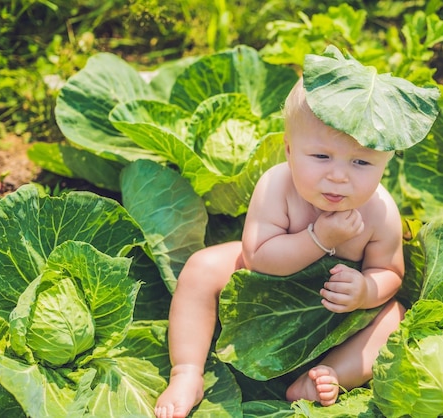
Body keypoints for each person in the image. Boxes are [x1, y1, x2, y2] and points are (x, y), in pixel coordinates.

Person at [154, 76, 407, 418]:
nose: (338, 176)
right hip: (265, 288)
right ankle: (186, 371)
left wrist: (364, 291)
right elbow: (258, 257)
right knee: (202, 268)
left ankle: (329, 372)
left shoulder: (380, 211)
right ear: (289, 150)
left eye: (361, 162)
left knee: (395, 317)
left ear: (385, 163)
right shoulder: (276, 185)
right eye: (321, 156)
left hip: (333, 314)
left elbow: (390, 272)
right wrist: (319, 238)